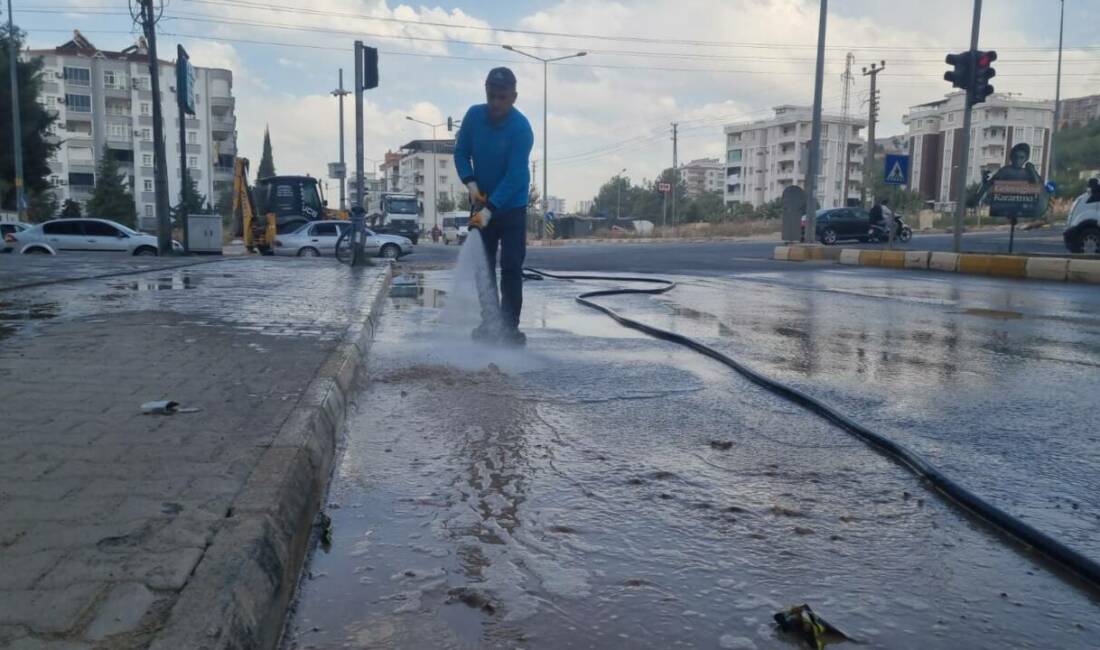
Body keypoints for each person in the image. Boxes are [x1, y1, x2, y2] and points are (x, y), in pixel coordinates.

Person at [453, 67, 534, 346]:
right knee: (482, 266)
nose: (496, 103)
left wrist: (491, 208)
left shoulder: (521, 128)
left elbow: (516, 176)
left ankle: (509, 328)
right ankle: (490, 323)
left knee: (511, 266)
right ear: (485, 90)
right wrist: (471, 184)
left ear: (513, 96)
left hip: (512, 206)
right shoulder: (474, 116)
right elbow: (461, 153)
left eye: (502, 97)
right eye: (491, 96)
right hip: (481, 201)